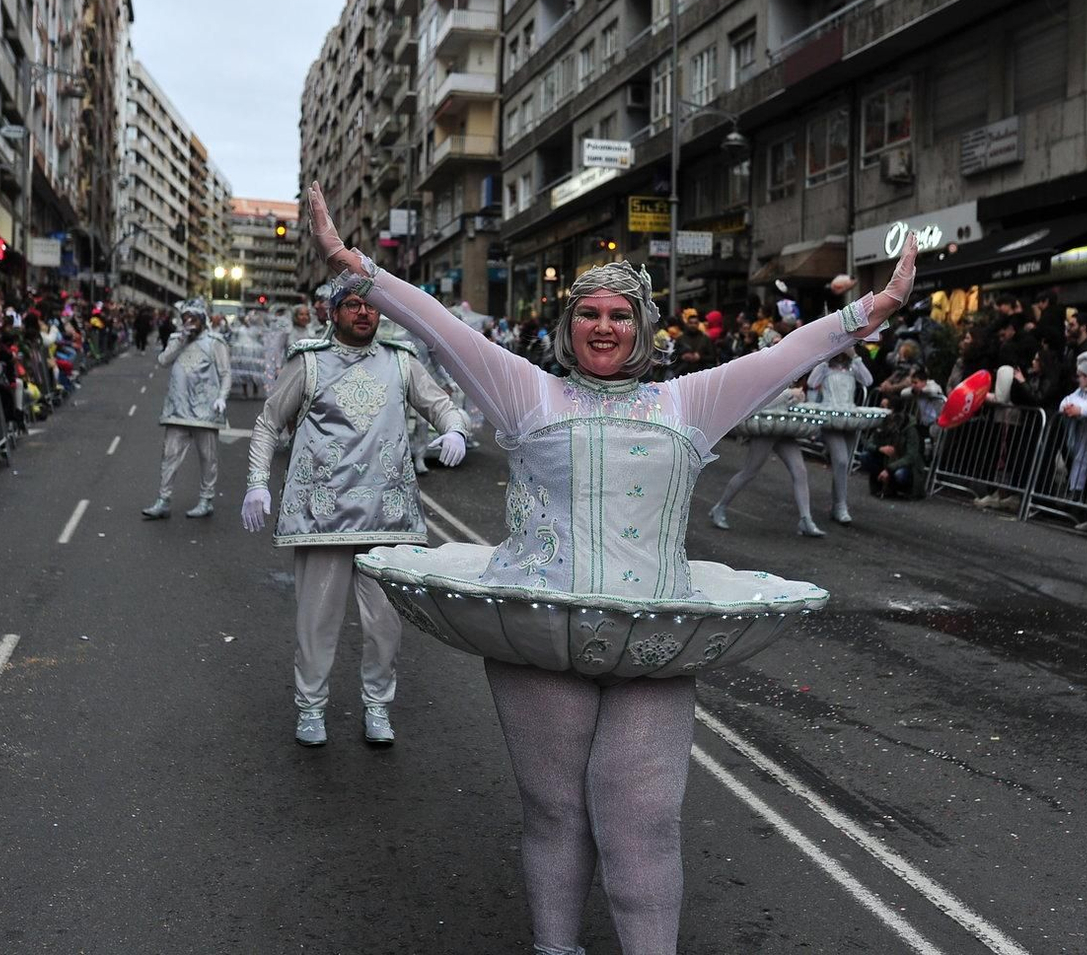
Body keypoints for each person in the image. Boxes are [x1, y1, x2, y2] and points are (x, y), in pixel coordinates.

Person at [303, 182, 916, 955]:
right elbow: (442, 327)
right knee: (556, 813)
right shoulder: (526, 390)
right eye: (589, 312)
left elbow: (787, 355)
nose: (603, 324)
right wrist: (356, 268)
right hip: (538, 636)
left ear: (644, 327)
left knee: (644, 824)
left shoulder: (689, 402)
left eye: (620, 313)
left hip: (655, 642)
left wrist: (871, 310)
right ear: (569, 324)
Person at [240, 281, 469, 747]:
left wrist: (455, 430)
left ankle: (378, 706)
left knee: (385, 625)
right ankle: (310, 707)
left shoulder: (401, 362)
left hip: (387, 515)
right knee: (316, 622)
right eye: (353, 305)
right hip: (320, 518)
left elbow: (442, 405)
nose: (364, 313)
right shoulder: (309, 362)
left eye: (371, 305)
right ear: (334, 312)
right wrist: (256, 484)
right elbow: (268, 423)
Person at [142, 300, 230, 520]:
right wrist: (180, 339)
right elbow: (163, 361)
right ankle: (163, 500)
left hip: (205, 412)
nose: (189, 322)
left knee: (207, 457)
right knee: (169, 456)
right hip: (177, 410)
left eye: (193, 318)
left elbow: (226, 372)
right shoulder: (176, 339)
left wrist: (221, 397)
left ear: (202, 320)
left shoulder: (215, 342)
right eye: (185, 318)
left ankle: (206, 499)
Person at [706, 383, 826, 538]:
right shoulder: (769, 369)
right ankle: (720, 507)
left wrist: (795, 399)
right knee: (749, 471)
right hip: (766, 427)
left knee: (800, 471)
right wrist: (790, 394)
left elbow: (783, 400)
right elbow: (762, 400)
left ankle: (806, 519)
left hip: (784, 427)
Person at [808, 349, 876, 524]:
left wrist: (854, 355)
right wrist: (826, 355)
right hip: (830, 418)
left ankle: (836, 505)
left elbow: (868, 380)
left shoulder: (853, 367)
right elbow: (811, 382)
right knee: (841, 461)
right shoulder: (825, 368)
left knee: (843, 465)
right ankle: (841, 506)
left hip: (849, 418)